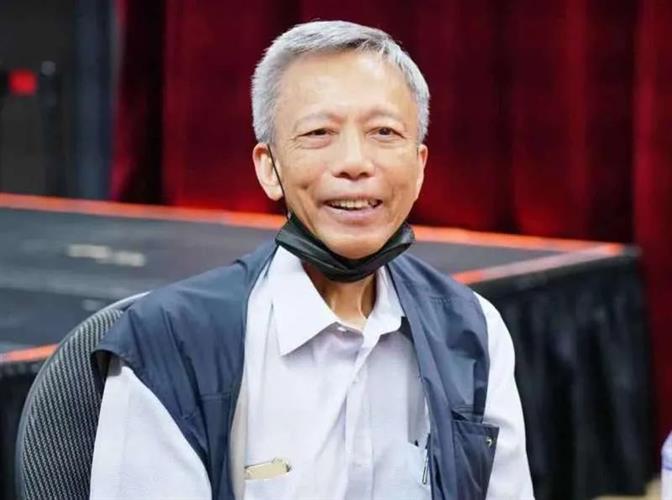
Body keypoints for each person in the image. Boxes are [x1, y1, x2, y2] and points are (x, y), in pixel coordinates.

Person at [89, 20, 534, 500]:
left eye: (384, 132)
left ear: (420, 166)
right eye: (319, 132)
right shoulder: (169, 344)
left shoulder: (473, 330)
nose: (355, 162)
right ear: (269, 168)